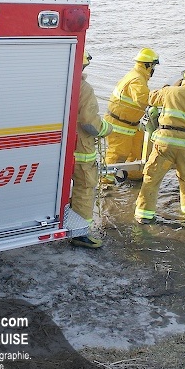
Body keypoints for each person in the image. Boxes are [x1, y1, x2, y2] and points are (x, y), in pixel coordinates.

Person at [134, 61, 185, 224]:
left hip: (164, 144)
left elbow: (151, 98)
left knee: (152, 178)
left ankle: (144, 215)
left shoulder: (170, 91)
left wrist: (169, 87)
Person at [70, 50, 113, 248]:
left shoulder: (57, 82)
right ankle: (80, 233)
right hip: (81, 149)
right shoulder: (83, 88)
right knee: (85, 187)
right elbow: (90, 123)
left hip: (59, 147)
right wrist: (106, 129)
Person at [102, 47, 160, 184]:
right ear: (148, 65)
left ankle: (134, 175)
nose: (153, 69)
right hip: (119, 124)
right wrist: (165, 98)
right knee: (118, 154)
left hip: (131, 123)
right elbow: (143, 100)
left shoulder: (137, 76)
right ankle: (105, 183)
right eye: (153, 66)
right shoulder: (137, 80)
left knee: (137, 149)